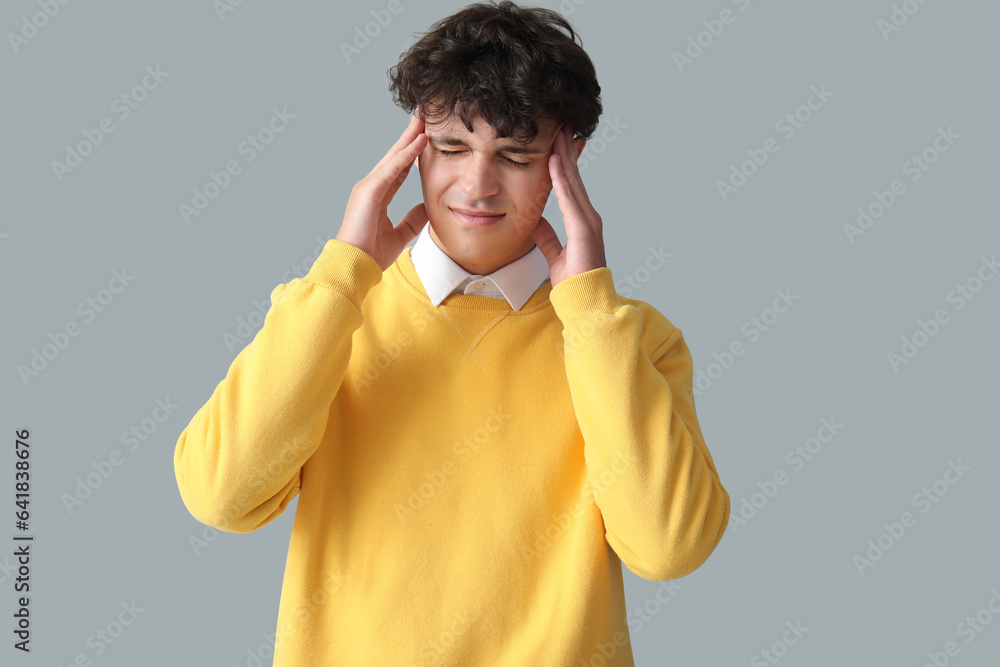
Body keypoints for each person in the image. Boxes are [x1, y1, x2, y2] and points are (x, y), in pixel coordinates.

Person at [173, 2, 730, 665]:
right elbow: (220, 496)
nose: (476, 184)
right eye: (450, 147)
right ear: (413, 149)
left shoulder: (628, 339)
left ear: (567, 156)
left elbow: (670, 547)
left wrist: (587, 310)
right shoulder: (330, 317)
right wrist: (343, 276)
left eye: (516, 154)